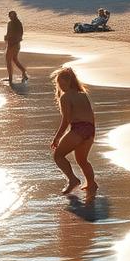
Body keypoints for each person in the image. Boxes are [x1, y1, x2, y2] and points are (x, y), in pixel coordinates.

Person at [49, 66, 97, 195]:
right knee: (82, 160)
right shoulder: (83, 95)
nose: (59, 86)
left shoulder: (65, 97)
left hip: (79, 129)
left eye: (60, 83)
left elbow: (66, 120)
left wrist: (57, 137)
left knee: (58, 155)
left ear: (68, 82)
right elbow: (91, 115)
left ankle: (73, 180)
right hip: (90, 129)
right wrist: (91, 133)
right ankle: (91, 183)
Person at [4, 10, 28, 83]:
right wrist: (6, 37)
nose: (10, 17)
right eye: (10, 16)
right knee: (14, 59)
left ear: (15, 15)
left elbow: (20, 34)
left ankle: (10, 78)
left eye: (11, 15)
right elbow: (8, 33)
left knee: (8, 60)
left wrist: (13, 40)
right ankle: (23, 72)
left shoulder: (17, 23)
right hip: (12, 44)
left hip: (14, 44)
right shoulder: (10, 23)